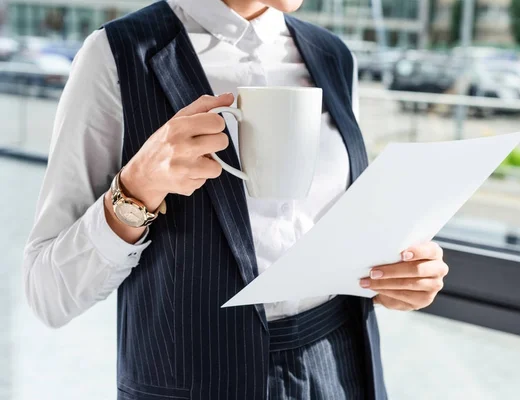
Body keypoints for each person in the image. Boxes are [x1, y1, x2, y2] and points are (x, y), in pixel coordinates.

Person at [23, 0, 449, 398]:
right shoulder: (115, 55)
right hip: (193, 379)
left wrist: (402, 273)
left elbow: (343, 226)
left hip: (340, 369)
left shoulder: (333, 55)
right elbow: (48, 295)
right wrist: (135, 189)